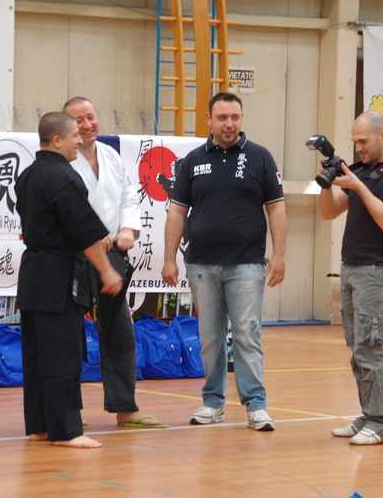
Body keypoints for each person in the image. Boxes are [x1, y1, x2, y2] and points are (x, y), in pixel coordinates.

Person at [161, 92, 287, 432]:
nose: (229, 124)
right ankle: (213, 402)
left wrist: (278, 255)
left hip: (247, 264)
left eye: (234, 117)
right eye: (222, 118)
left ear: (241, 118)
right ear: (209, 119)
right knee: (210, 337)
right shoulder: (192, 160)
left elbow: (276, 208)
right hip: (201, 264)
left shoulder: (261, 157)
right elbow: (177, 212)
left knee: (247, 333)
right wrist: (169, 259)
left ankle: (256, 406)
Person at [15, 111, 123, 449]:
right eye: (75, 135)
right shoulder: (63, 176)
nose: (80, 139)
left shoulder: (29, 175)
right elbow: (84, 232)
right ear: (57, 140)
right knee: (63, 352)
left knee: (36, 355)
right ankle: (66, 431)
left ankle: (40, 426)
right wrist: (106, 270)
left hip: (33, 274)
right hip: (59, 275)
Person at [63, 97, 167, 429]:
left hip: (110, 256)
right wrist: (95, 235)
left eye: (90, 117)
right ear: (66, 127)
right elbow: (68, 210)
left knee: (120, 331)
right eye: (78, 120)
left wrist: (126, 229)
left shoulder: (110, 155)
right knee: (71, 336)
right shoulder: (63, 162)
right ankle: (69, 412)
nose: (87, 125)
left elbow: (128, 197)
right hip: (75, 256)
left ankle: (125, 407)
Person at [319, 110, 383, 445]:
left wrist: (359, 186)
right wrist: (327, 183)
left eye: (363, 141)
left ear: (382, 136)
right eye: (355, 142)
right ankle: (368, 413)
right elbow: (330, 212)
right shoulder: (361, 170)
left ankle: (382, 422)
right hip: (350, 267)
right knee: (358, 347)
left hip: (376, 272)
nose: (358, 148)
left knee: (371, 347)